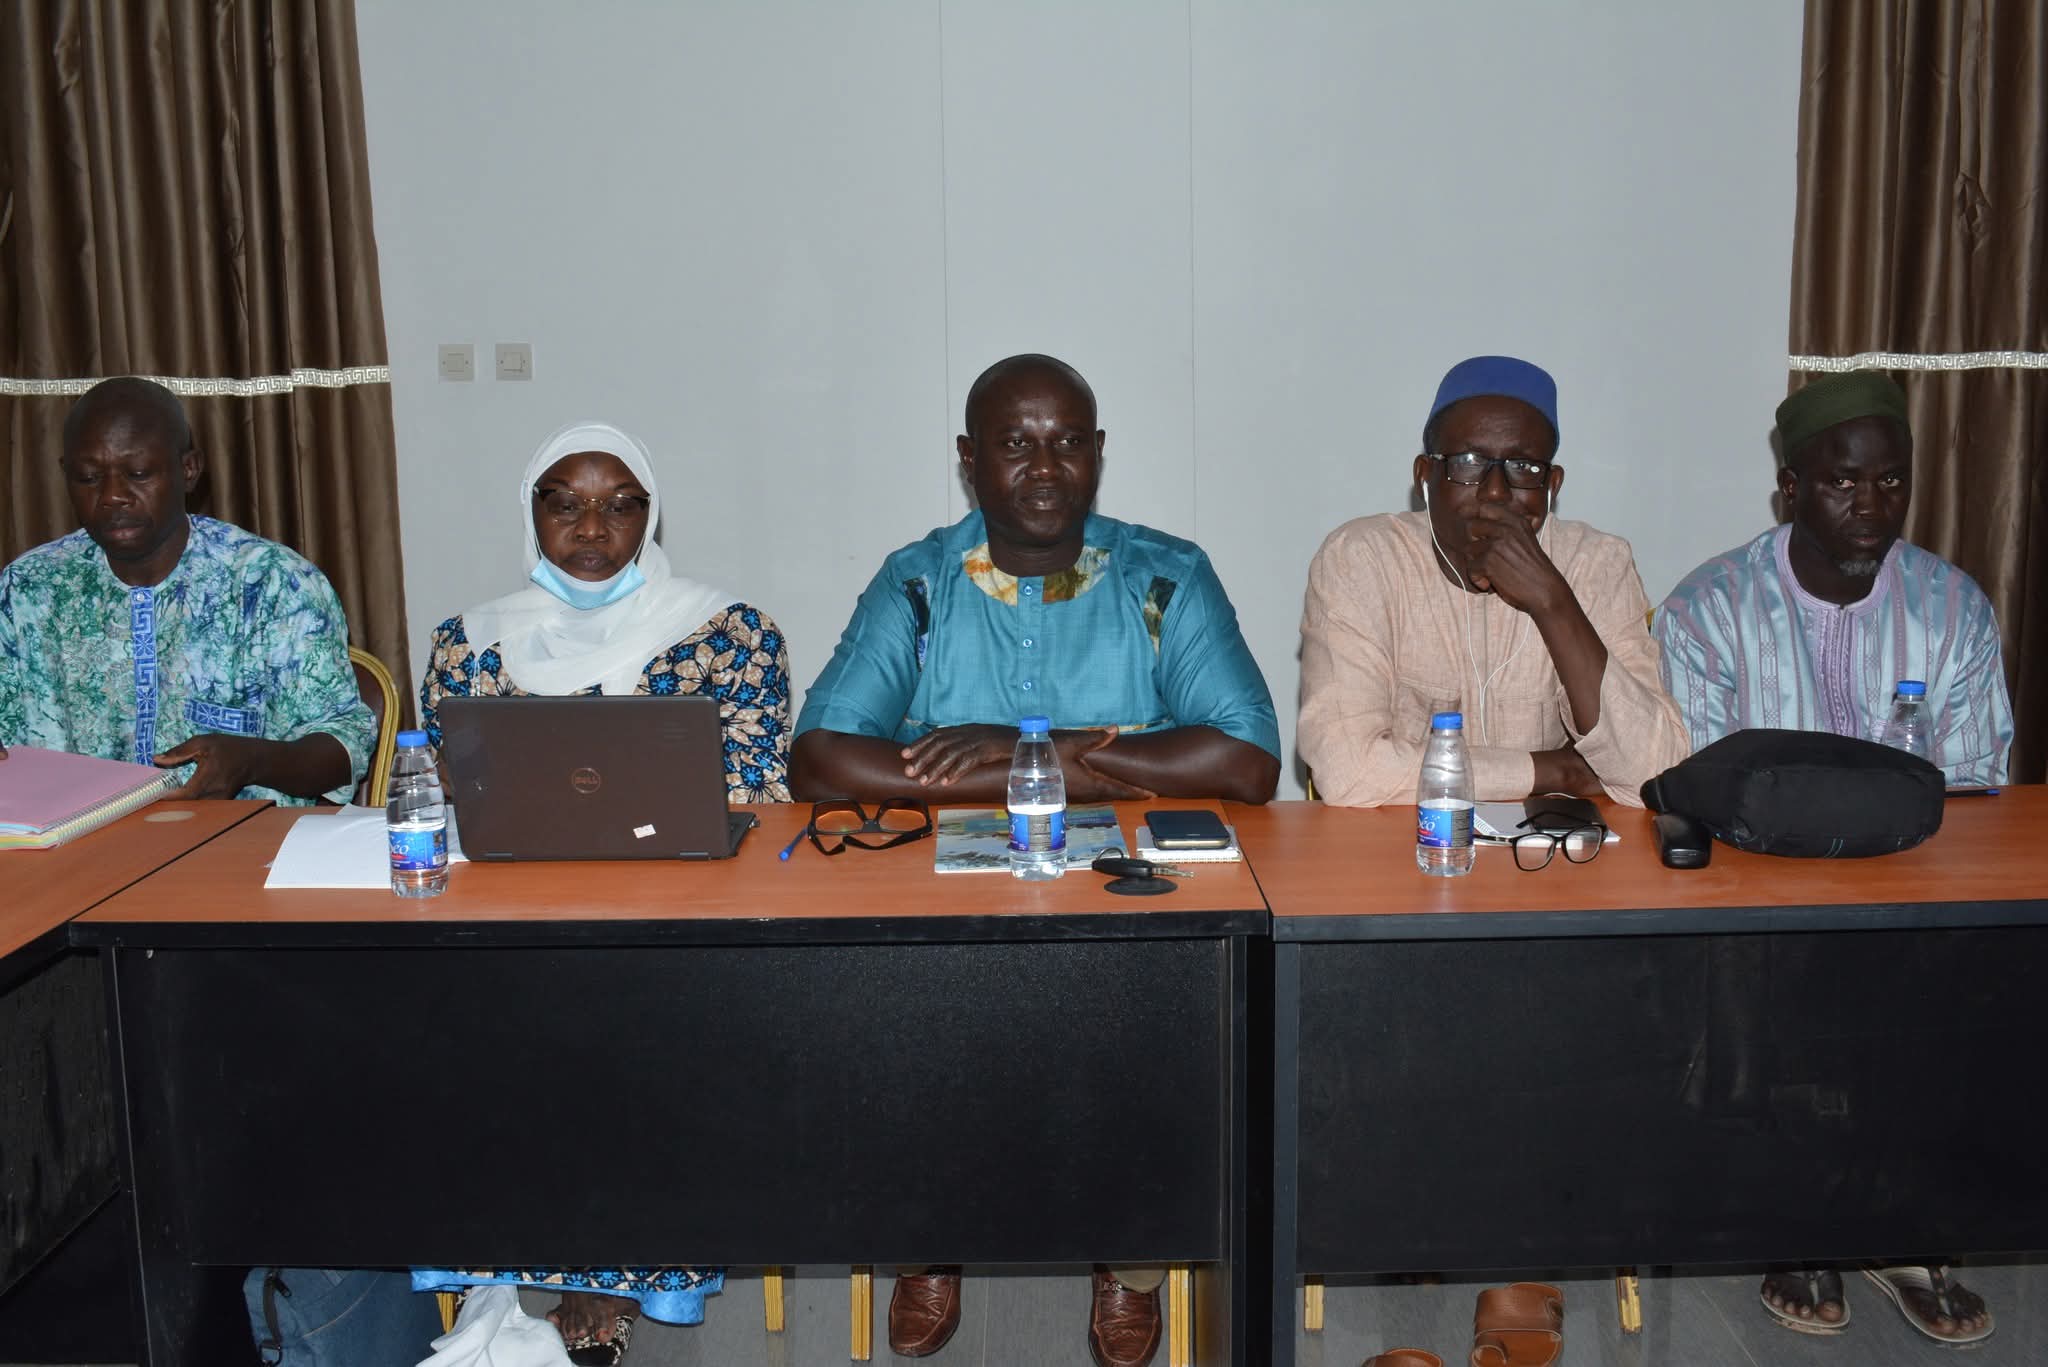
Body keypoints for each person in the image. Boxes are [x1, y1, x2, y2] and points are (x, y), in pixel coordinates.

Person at [790, 353, 1280, 1367]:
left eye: (1067, 442)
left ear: (1098, 454)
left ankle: (1131, 1255)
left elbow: (1245, 758)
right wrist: (1083, 766)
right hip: (941, 910)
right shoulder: (918, 582)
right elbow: (821, 758)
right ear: (968, 460)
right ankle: (931, 1232)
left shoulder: (1164, 575)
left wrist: (1027, 752)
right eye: (1015, 443)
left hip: (1131, 906)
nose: (1044, 466)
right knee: (903, 1017)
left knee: (1166, 1021)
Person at [414, 418, 793, 1359]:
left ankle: (604, 1273)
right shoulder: (468, 641)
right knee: (450, 1019)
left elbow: (757, 793)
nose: (592, 527)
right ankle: (515, 1247)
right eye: (566, 504)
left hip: (674, 913)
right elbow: (459, 792)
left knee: (641, 1021)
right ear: (532, 512)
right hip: (513, 912)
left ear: (651, 516)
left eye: (620, 505)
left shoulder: (729, 632)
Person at [1656, 370, 2009, 1347]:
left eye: (1890, 481)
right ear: (1788, 489)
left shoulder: (1952, 607)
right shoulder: (1708, 607)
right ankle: (1801, 1216)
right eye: (1841, 482)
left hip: (1914, 883)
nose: (1870, 504)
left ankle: (1902, 1228)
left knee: (1967, 956)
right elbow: (1706, 783)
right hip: (1763, 892)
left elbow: (1977, 784)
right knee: (1779, 956)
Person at [1297, 355, 1688, 807]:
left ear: (1553, 486)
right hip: (1404, 842)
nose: (1497, 491)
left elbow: (1655, 773)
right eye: (1468, 463)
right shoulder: (1362, 560)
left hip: (1552, 848)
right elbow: (1347, 770)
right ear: (1425, 477)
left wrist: (1553, 601)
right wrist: (1555, 771)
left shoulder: (1598, 565)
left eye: (1524, 467)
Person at [0, 377, 374, 801]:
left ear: (189, 470)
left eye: (138, 474)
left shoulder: (273, 584)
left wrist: (252, 760)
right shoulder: (27, 590)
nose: (112, 496)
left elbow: (343, 747)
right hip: (74, 837)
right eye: (88, 478)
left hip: (243, 838)